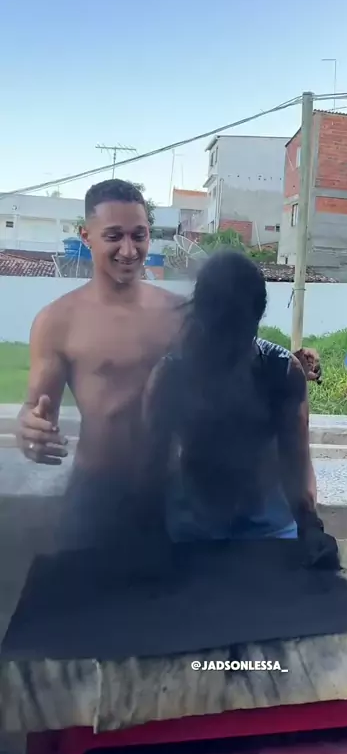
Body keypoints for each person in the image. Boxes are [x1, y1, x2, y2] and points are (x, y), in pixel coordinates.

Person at [16, 179, 322, 547]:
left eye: (139, 235)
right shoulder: (57, 322)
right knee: (83, 581)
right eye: (114, 236)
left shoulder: (179, 313)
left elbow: (234, 353)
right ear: (87, 236)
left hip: (168, 494)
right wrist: (31, 430)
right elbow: (35, 410)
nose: (128, 249)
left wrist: (290, 366)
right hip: (97, 488)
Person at [142, 249, 338, 568]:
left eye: (240, 333)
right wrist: (148, 532)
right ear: (201, 318)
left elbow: (297, 463)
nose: (230, 346)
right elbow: (153, 464)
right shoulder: (171, 374)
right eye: (221, 332)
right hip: (190, 531)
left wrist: (310, 526)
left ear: (257, 318)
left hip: (269, 531)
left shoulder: (282, 371)